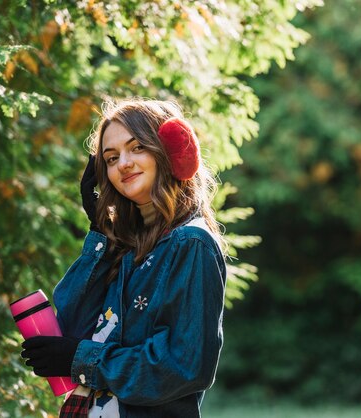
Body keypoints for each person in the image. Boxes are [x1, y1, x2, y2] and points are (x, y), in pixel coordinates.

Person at [21, 98, 227, 417]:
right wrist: (100, 233)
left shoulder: (190, 243)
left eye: (137, 148)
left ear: (170, 151)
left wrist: (83, 359)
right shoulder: (125, 249)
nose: (123, 164)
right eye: (111, 158)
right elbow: (73, 327)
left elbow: (183, 367)